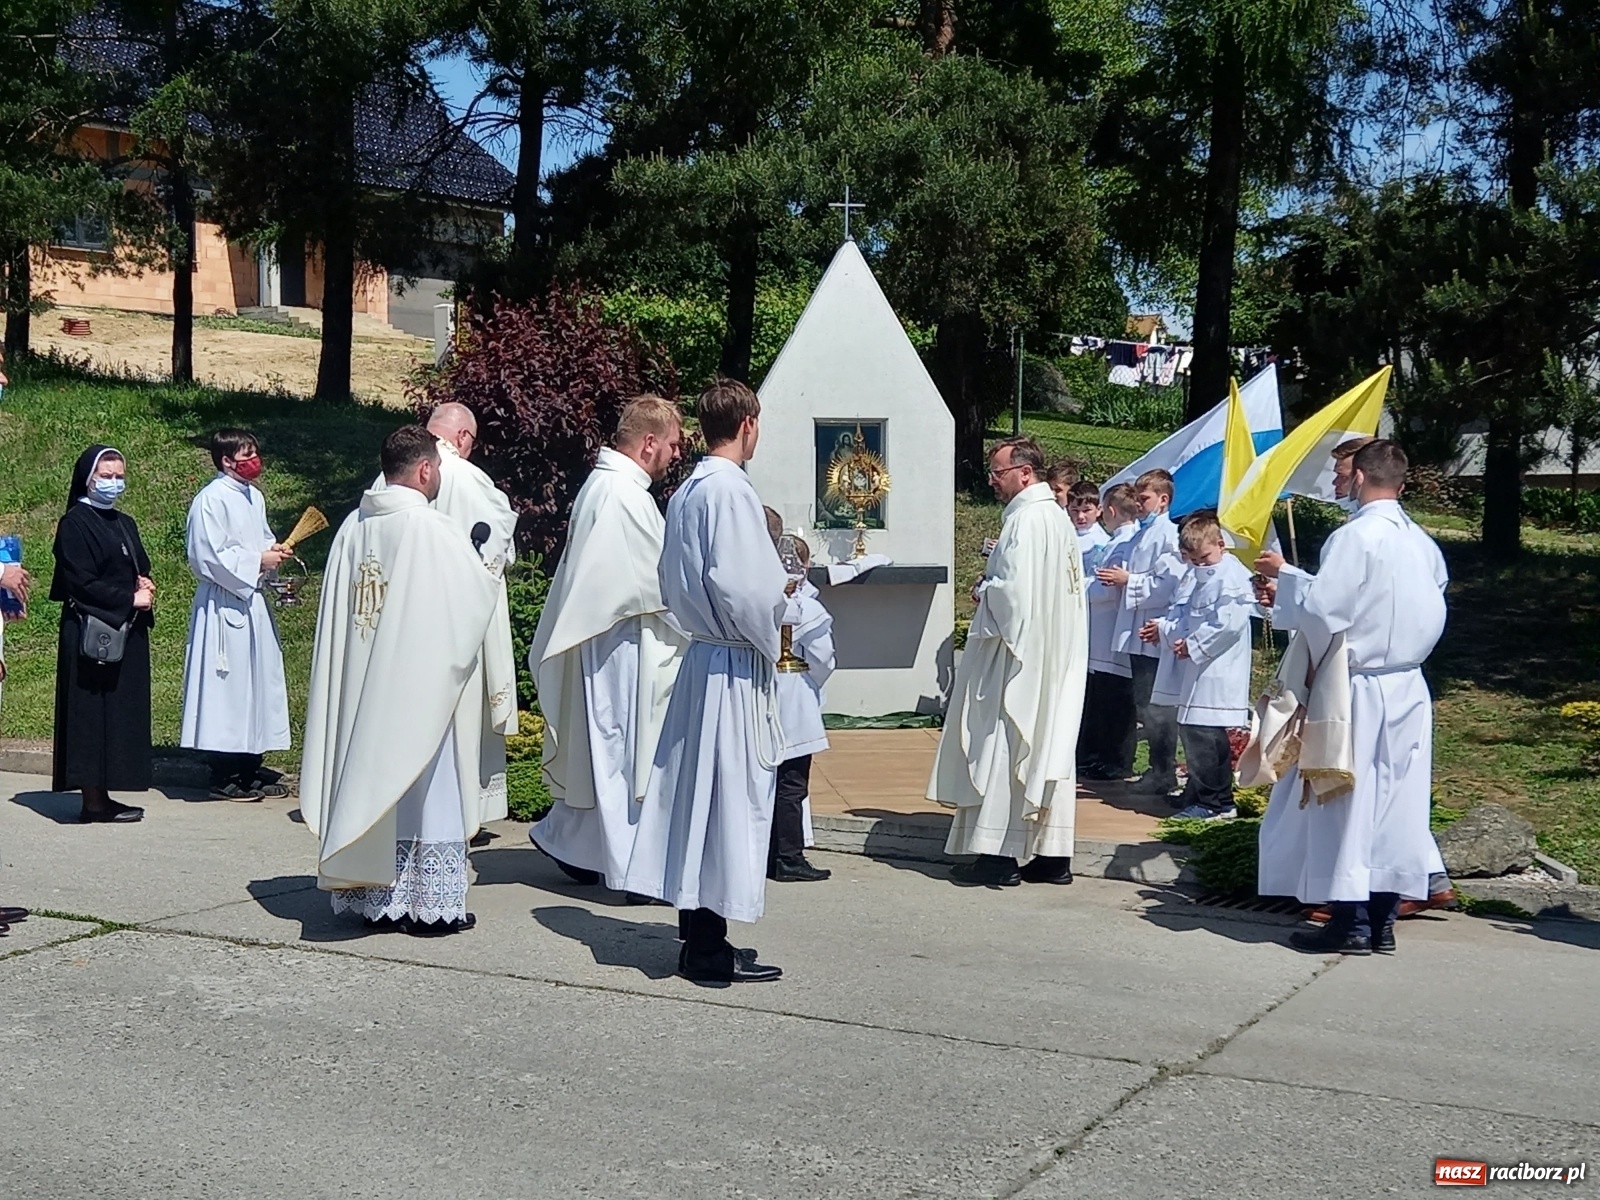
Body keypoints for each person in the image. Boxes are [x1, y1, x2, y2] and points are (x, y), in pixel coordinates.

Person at [301, 426, 501, 936]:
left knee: (373, 776)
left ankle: (377, 898)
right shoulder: (431, 529)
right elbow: (469, 603)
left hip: (365, 689)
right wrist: (488, 565)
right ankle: (428, 907)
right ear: (426, 469)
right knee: (425, 784)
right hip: (416, 686)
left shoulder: (352, 527)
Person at [622, 379, 789, 985]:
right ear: (748, 423)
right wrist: (778, 638)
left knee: (701, 803)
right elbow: (749, 590)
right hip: (732, 664)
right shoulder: (730, 491)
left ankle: (699, 934)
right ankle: (710, 949)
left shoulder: (689, 488)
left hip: (702, 659)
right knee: (727, 803)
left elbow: (672, 578)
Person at [1254, 440, 1449, 955]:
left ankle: (1351, 922)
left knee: (1344, 799)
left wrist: (1288, 584)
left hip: (1357, 685)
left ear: (1361, 477)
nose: (1337, 484)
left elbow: (1326, 613)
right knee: (1395, 805)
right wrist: (1299, 586)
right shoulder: (1423, 542)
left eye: (1342, 475)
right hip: (1408, 684)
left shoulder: (1354, 537)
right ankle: (1382, 920)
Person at [529, 395, 689, 895]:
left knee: (606, 751)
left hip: (615, 639)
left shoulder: (609, 486)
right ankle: (627, 866)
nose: (675, 454)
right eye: (671, 444)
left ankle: (573, 843)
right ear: (647, 443)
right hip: (624, 645)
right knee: (623, 754)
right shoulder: (621, 495)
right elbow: (656, 583)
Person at [929, 437, 1088, 888]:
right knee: (1046, 747)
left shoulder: (1024, 521)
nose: (993, 482)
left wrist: (984, 591)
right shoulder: (1056, 518)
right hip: (1053, 654)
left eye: (998, 474)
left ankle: (998, 855)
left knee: (1003, 743)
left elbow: (1012, 597)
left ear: (1025, 473)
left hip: (1015, 659)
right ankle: (1050, 856)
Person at [383, 401, 520, 840]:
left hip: (401, 626)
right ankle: (458, 814)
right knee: (459, 721)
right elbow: (500, 549)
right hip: (456, 623)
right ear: (463, 438)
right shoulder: (468, 474)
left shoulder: (389, 476)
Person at [179, 429, 293, 800]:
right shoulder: (210, 501)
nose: (253, 460)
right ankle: (222, 770)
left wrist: (272, 552)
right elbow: (207, 556)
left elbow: (257, 539)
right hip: (223, 603)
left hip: (252, 601)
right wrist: (256, 561)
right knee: (227, 688)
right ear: (227, 460)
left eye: (256, 452)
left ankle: (250, 763)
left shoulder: (252, 497)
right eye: (246, 454)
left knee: (257, 683)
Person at [50, 446, 154, 823]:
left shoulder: (123, 521)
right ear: (88, 478)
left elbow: (137, 562)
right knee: (91, 714)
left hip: (124, 627)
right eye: (105, 476)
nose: (113, 483)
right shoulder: (75, 523)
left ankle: (105, 794)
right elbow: (80, 581)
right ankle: (92, 801)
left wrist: (144, 581)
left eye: (118, 476)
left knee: (116, 714)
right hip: (91, 631)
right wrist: (129, 597)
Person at [1151, 514, 1254, 820]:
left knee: (1204, 733)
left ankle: (1216, 802)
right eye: (1194, 560)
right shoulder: (1204, 575)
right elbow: (1188, 615)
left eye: (1205, 558)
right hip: (1198, 668)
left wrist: (1194, 645)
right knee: (1196, 729)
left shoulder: (1231, 577)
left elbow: (1228, 624)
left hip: (1217, 668)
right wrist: (1178, 636)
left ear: (1221, 545)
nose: (1201, 565)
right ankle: (1199, 792)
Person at [1096, 468, 1182, 793]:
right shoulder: (1139, 536)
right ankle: (1156, 769)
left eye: (1144, 498)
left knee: (1156, 705)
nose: (1140, 504)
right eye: (1137, 497)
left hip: (1153, 631)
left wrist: (1128, 581)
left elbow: (1168, 584)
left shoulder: (1169, 536)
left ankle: (1164, 771)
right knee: (1144, 704)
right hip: (1138, 631)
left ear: (1163, 499)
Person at [768, 532, 836, 884]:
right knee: (792, 783)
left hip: (762, 692)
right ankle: (789, 856)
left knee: (766, 780)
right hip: (795, 694)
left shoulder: (761, 600)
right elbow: (824, 658)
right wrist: (815, 684)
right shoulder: (808, 608)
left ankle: (767, 852)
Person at [1080, 484, 1140, 782]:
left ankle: (1117, 760)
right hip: (1102, 633)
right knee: (1104, 699)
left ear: (1110, 511)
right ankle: (1102, 757)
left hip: (1113, 632)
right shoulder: (1117, 541)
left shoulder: (1125, 542)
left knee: (1117, 703)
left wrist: (1074, 588)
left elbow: (1106, 586)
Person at [1066, 480, 1111, 574]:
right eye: (1075, 510)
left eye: (1086, 510)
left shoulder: (1102, 542)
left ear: (1098, 510)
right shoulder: (1064, 534)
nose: (1080, 517)